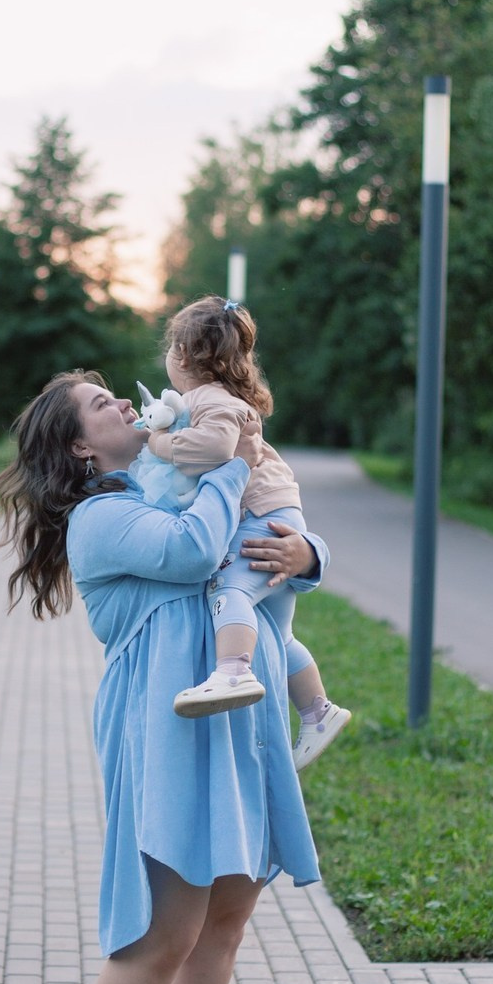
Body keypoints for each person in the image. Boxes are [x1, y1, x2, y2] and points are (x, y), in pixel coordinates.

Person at [0, 370, 326, 984]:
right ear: (79, 446)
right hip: (163, 726)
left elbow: (275, 531)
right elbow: (199, 549)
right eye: (103, 406)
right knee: (167, 923)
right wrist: (232, 457)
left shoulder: (175, 482)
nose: (127, 405)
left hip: (237, 717)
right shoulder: (104, 517)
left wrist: (307, 550)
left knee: (227, 913)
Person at [142, 295, 350, 772]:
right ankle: (317, 710)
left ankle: (233, 672)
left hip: (259, 516)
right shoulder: (228, 398)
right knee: (278, 630)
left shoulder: (206, 398)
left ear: (182, 354)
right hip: (280, 511)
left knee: (228, 586)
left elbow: (215, 449)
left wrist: (159, 442)